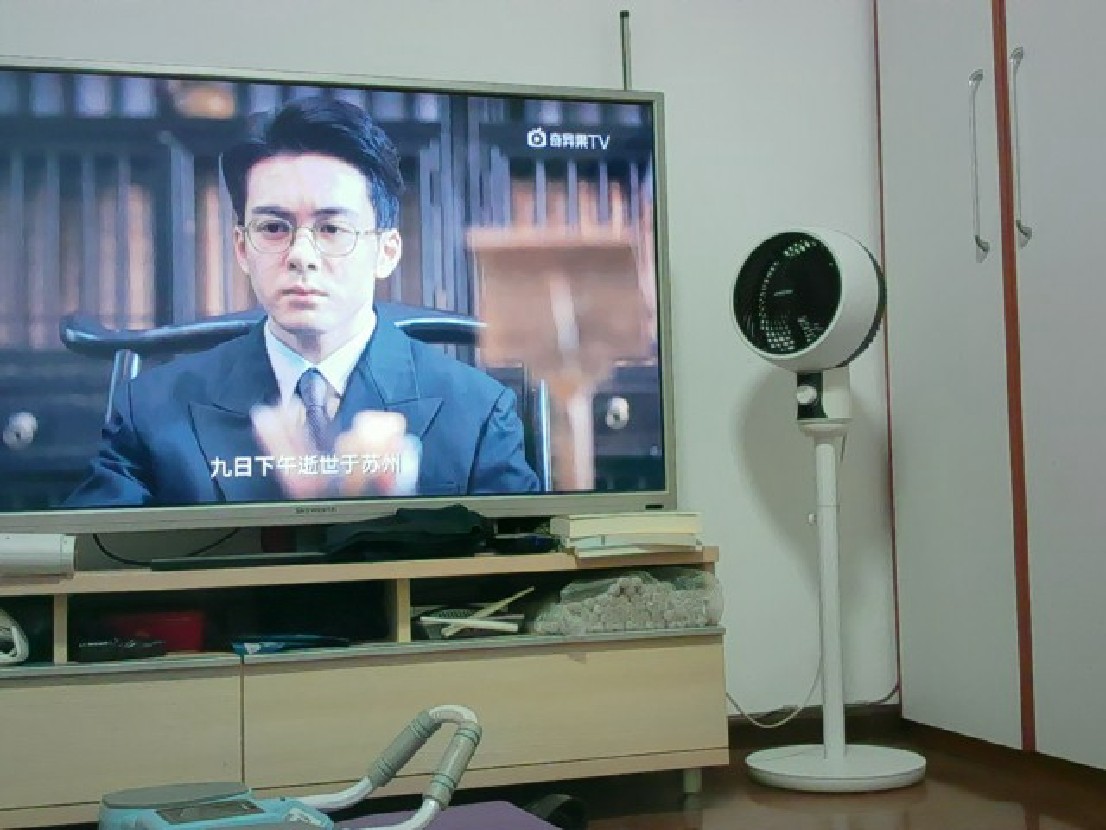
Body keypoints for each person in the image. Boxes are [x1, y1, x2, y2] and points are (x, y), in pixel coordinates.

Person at [65, 96, 540, 507]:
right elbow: (93, 556)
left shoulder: (477, 410)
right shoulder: (150, 409)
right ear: (241, 248)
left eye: (332, 228)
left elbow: (522, 562)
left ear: (387, 251)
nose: (301, 255)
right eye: (274, 228)